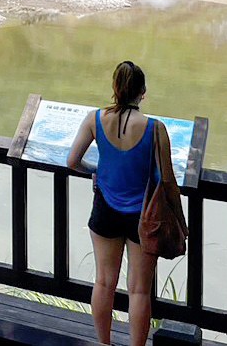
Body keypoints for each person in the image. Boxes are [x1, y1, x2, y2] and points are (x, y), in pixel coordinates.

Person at [65, 61, 177, 346]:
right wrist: (180, 220)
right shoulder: (155, 129)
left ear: (115, 88)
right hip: (143, 217)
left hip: (105, 209)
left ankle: (104, 343)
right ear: (143, 92)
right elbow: (167, 181)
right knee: (139, 291)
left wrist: (96, 169)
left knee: (104, 282)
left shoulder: (94, 119)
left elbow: (72, 161)